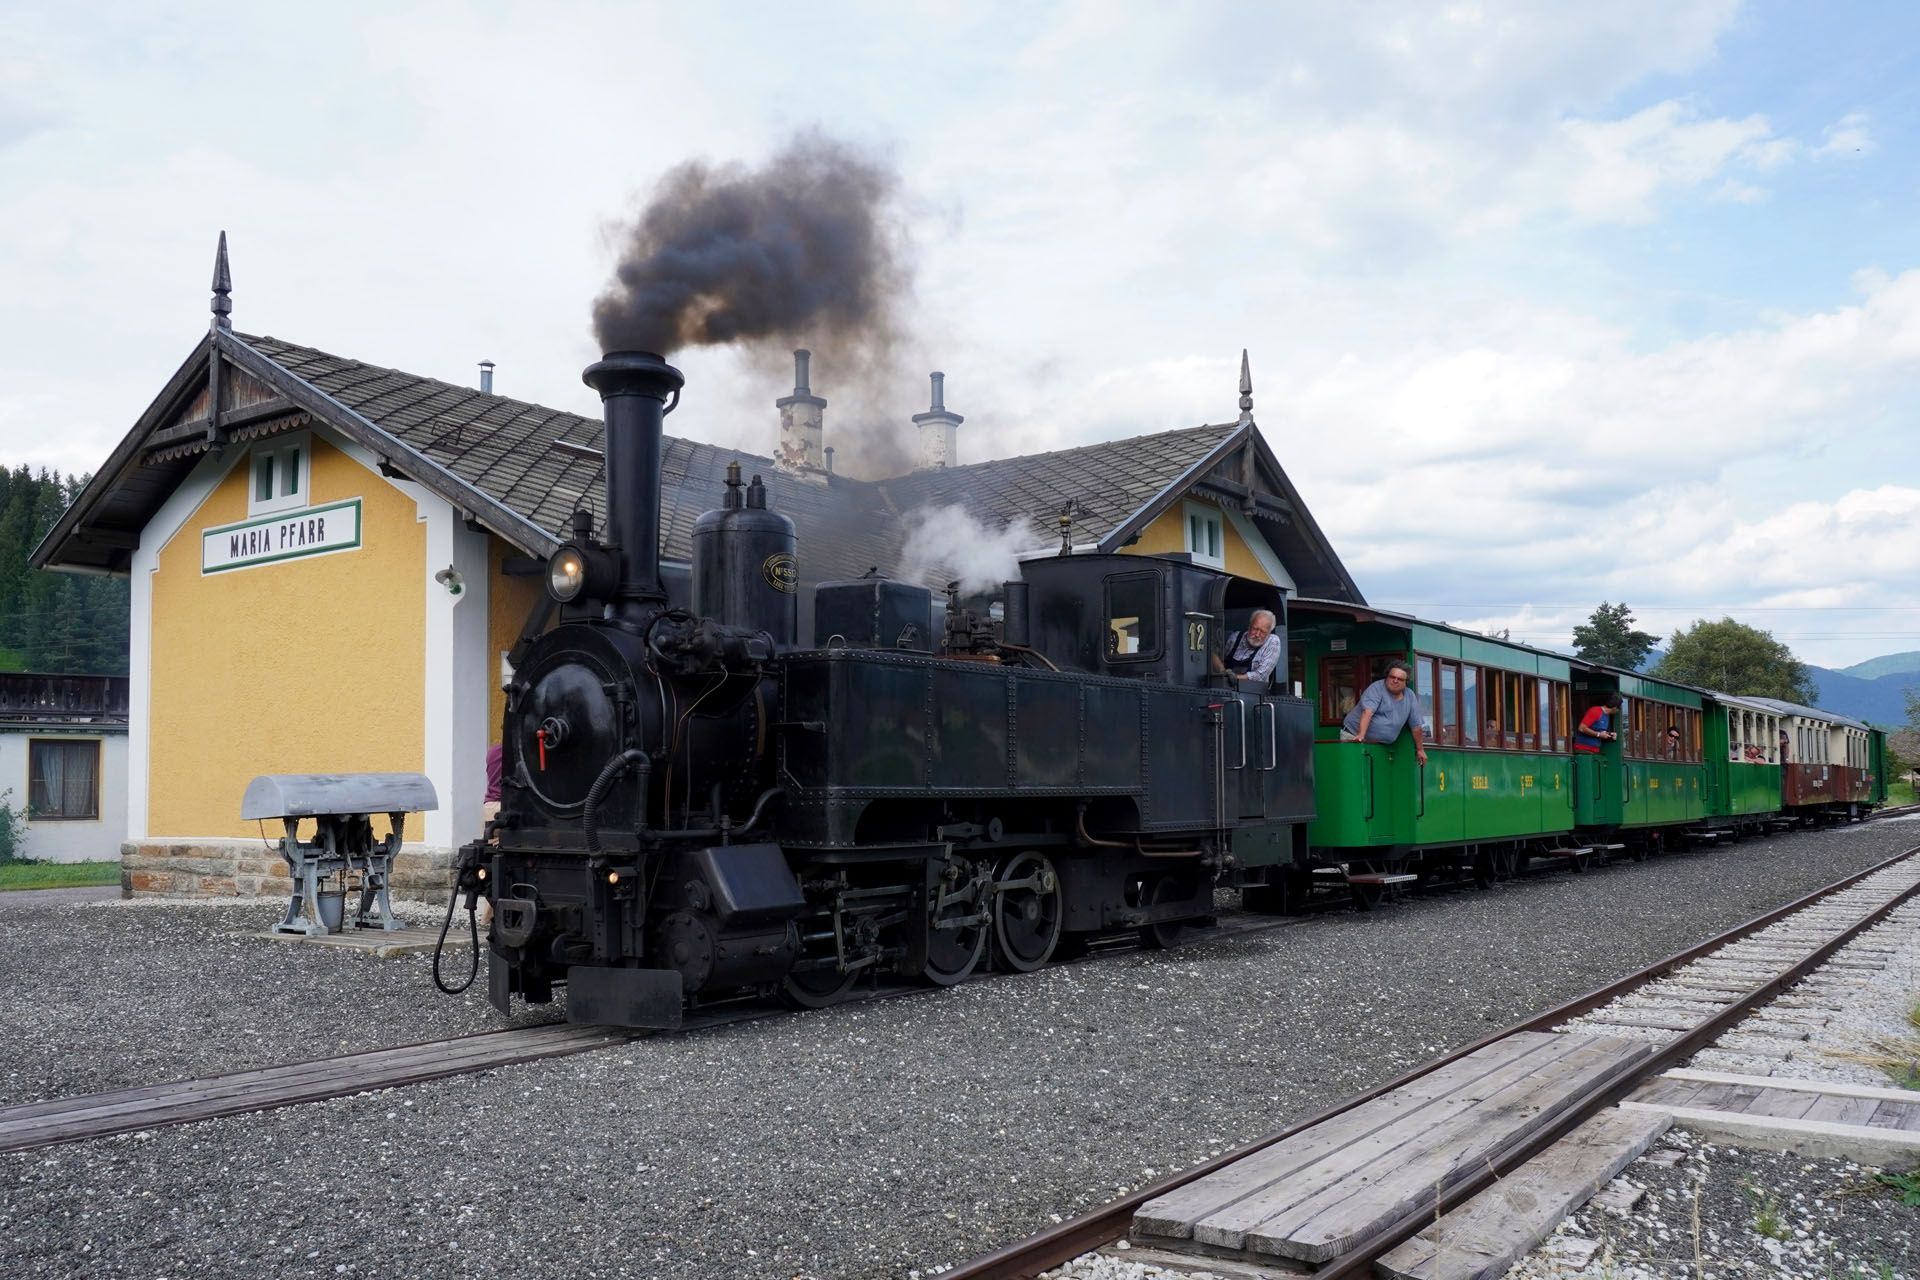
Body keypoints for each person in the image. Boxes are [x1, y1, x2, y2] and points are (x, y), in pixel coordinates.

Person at [1339, 661, 1428, 764]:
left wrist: (1420, 749)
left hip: (1381, 746)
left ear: (1406, 682)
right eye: (1392, 677)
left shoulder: (1410, 696)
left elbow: (1416, 727)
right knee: (1354, 772)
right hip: (1353, 736)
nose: (1395, 681)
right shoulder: (1376, 688)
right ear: (1387, 677)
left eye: (1400, 679)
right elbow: (1367, 712)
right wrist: (1361, 735)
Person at [1221, 609, 1283, 682]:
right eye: (1255, 629)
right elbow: (1220, 659)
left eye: (1262, 632)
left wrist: (1233, 677)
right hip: (1226, 688)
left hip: (1253, 691)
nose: (1257, 634)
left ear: (1269, 632)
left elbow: (1260, 676)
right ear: (1249, 626)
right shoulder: (1235, 637)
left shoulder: (1273, 641)